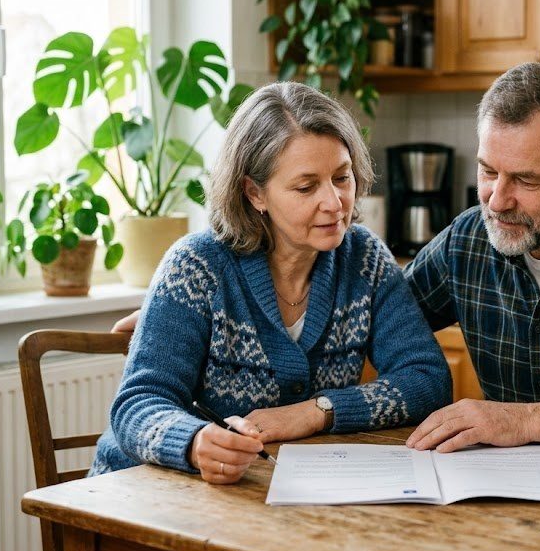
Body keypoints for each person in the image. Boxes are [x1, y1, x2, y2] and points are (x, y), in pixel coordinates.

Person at [114, 62, 540, 455]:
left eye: (525, 179)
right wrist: (180, 318)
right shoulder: (469, 240)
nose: (497, 199)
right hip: (185, 491)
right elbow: (388, 316)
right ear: (256, 192)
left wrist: (524, 421)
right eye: (488, 171)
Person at [90, 81, 452, 485]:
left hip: (273, 490)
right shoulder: (196, 267)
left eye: (342, 177)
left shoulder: (363, 259)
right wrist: (193, 442)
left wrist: (315, 412)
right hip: (142, 491)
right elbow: (137, 406)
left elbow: (427, 379)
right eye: (306, 186)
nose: (334, 203)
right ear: (254, 193)